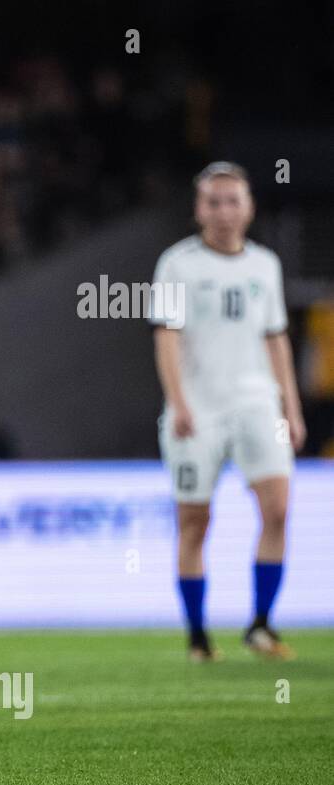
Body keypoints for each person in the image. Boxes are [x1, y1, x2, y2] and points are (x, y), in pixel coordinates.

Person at [149, 161, 305, 662]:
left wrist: (291, 406)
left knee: (278, 510)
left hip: (258, 403)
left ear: (249, 207)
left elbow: (275, 337)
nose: (223, 211)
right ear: (198, 209)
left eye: (232, 200)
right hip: (199, 409)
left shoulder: (266, 265)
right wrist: (178, 402)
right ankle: (198, 636)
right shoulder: (177, 263)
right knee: (196, 521)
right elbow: (166, 335)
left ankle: (260, 625)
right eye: (213, 202)